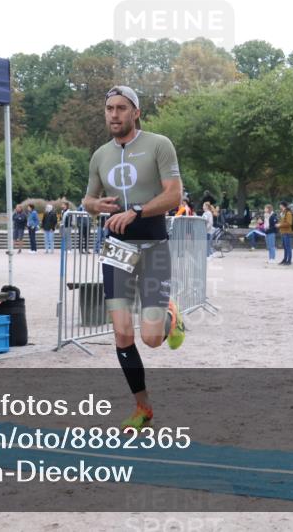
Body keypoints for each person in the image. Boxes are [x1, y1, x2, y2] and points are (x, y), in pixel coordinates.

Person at [81, 85, 185, 432]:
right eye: (109, 108)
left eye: (121, 108)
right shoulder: (100, 155)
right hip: (116, 249)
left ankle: (170, 314)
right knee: (122, 334)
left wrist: (136, 212)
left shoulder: (159, 144)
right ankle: (143, 409)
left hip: (152, 244)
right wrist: (96, 206)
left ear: (135, 112)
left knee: (152, 339)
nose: (114, 114)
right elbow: (88, 199)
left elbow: (174, 195)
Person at [278, 201, 293, 266]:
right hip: (283, 232)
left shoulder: (288, 213)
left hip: (287, 232)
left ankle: (289, 260)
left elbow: (289, 223)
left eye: (280, 205)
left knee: (288, 247)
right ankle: (285, 259)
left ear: (283, 205)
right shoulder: (283, 213)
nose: (279, 206)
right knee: (285, 247)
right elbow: (283, 221)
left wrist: (280, 225)